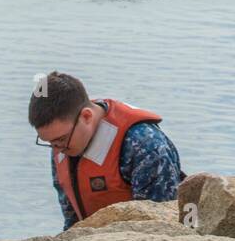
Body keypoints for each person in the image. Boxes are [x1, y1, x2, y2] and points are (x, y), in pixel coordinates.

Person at [29, 71, 185, 230]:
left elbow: (162, 223)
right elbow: (72, 222)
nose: (57, 150)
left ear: (86, 117)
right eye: (49, 142)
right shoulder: (63, 143)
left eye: (61, 140)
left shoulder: (145, 145)